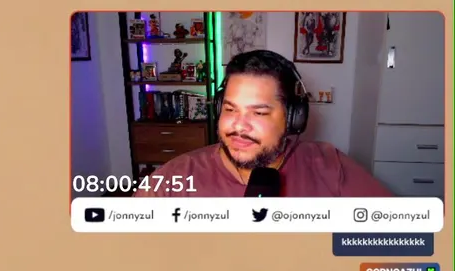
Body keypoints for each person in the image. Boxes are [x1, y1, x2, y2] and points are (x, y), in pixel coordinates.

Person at [134, 49, 392, 197]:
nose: (239, 126)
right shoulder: (173, 179)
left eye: (258, 113)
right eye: (230, 109)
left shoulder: (330, 166)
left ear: (293, 118)